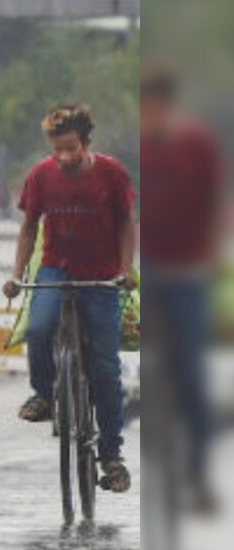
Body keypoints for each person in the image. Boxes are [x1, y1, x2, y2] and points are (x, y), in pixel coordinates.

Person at [2, 104, 136, 494]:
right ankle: (44, 392)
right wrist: (16, 275)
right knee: (40, 328)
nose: (63, 157)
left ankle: (111, 457)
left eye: (71, 149)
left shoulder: (111, 173)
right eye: (57, 149)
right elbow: (28, 227)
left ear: (87, 143)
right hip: (56, 268)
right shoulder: (40, 176)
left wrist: (125, 269)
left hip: (101, 274)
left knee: (107, 371)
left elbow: (128, 223)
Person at [139, 66, 225, 512]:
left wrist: (210, 254)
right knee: (145, 365)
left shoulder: (197, 143)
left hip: (189, 270)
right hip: (149, 267)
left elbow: (216, 199)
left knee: (191, 375)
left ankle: (197, 477)